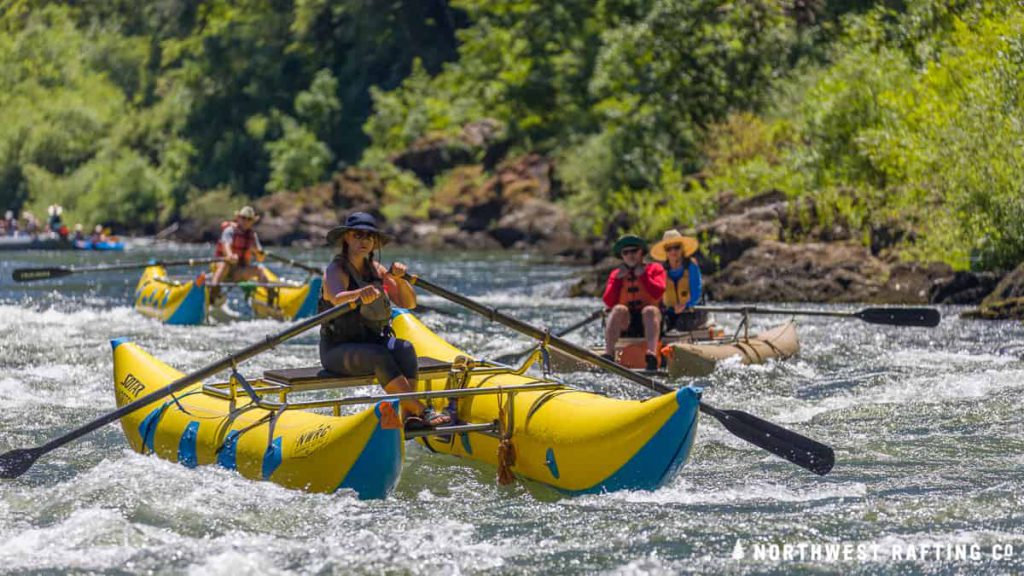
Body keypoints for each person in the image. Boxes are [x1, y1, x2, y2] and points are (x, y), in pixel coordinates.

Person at [319, 211, 451, 430]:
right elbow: (335, 297)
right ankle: (421, 409)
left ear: (374, 242)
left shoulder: (377, 270)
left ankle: (409, 416)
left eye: (369, 236)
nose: (364, 241)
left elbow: (408, 303)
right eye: (358, 235)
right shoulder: (336, 270)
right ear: (347, 238)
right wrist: (359, 294)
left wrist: (400, 281)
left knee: (405, 348)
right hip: (338, 350)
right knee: (379, 355)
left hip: (371, 344)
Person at [602, 234, 666, 371]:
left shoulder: (655, 269)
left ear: (641, 252)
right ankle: (608, 354)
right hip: (627, 323)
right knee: (618, 309)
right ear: (622, 256)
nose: (630, 255)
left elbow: (658, 292)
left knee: (649, 310)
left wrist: (643, 276)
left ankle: (652, 355)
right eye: (626, 252)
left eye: (634, 251)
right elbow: (608, 301)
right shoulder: (616, 274)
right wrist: (618, 280)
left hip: (650, 322)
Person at [209, 206, 269, 306]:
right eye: (243, 218)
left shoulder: (252, 236)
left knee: (259, 270)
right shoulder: (229, 231)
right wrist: (230, 255)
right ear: (238, 218)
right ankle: (213, 292)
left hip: (238, 271)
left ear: (252, 222)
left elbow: (260, 258)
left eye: (249, 219)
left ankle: (271, 298)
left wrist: (259, 253)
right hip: (222, 268)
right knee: (225, 265)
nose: (245, 221)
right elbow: (226, 245)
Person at [650, 229, 707, 332]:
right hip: (671, 312)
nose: (673, 251)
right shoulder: (661, 270)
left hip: (692, 311)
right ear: (666, 252)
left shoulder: (691, 266)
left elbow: (696, 293)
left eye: (676, 247)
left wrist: (685, 305)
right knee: (659, 325)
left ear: (682, 249)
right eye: (669, 249)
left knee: (679, 325)